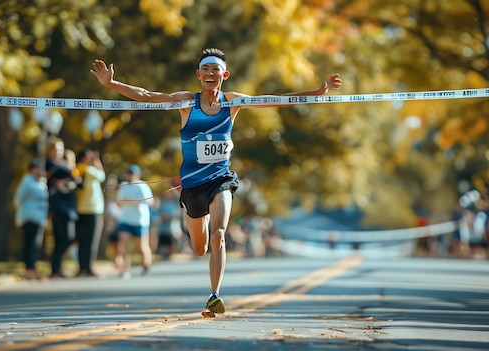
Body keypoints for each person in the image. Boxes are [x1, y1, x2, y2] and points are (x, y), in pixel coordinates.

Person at [91, 48, 341, 314]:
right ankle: (203, 223)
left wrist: (316, 93)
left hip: (221, 178)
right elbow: (147, 96)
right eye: (206, 69)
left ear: (225, 75)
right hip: (192, 185)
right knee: (200, 248)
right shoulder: (186, 102)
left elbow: (276, 99)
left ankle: (214, 294)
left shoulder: (233, 102)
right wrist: (111, 83)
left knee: (219, 234)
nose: (211, 73)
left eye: (216, 69)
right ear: (199, 75)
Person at [45, 137, 79, 278]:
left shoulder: (64, 164)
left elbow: (76, 178)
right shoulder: (50, 164)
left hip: (68, 205)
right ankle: (55, 267)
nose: (59, 152)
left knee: (62, 238)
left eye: (61, 149)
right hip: (58, 206)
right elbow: (66, 171)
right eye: (56, 149)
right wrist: (70, 165)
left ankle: (56, 269)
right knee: (66, 237)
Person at [114, 165, 154, 278]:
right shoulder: (123, 185)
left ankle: (146, 265)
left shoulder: (142, 186)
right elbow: (118, 201)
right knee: (124, 245)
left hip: (140, 220)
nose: (130, 176)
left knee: (141, 246)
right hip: (125, 219)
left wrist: (136, 201)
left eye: (133, 173)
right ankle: (125, 269)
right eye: (129, 173)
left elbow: (150, 202)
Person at [14, 159, 49, 280]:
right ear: (32, 169)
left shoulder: (41, 182)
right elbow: (18, 198)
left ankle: (33, 268)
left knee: (36, 245)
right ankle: (28, 269)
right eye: (38, 168)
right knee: (30, 244)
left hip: (39, 218)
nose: (41, 170)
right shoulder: (27, 181)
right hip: (29, 217)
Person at [75, 149, 106, 277]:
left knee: (82, 240)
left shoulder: (78, 169)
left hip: (80, 208)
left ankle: (82, 267)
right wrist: (97, 161)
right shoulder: (88, 169)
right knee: (91, 240)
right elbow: (102, 176)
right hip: (93, 209)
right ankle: (88, 267)